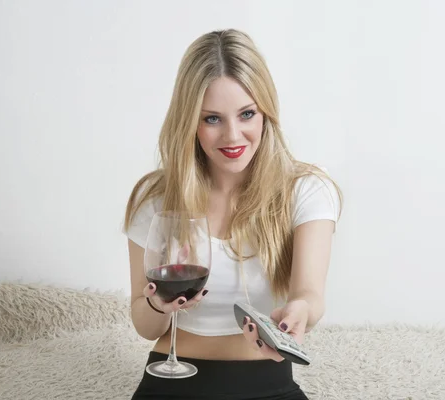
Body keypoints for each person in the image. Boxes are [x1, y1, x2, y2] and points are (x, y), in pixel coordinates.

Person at [123, 29, 342, 400]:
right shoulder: (156, 199)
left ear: (265, 113)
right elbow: (145, 326)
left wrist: (299, 311)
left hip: (267, 381)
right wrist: (157, 304)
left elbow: (310, 294)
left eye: (246, 114)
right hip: (173, 376)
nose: (233, 136)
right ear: (189, 121)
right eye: (212, 119)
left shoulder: (306, 190)